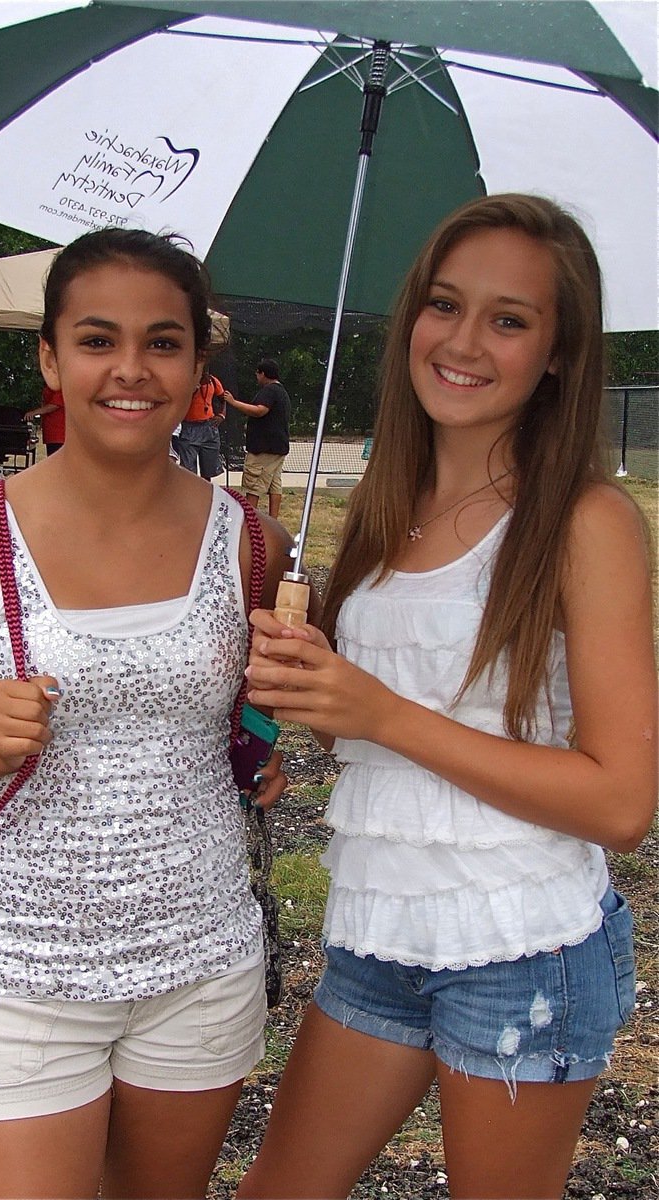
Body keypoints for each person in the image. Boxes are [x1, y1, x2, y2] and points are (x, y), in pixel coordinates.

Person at [0, 227, 307, 1200]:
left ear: (198, 369)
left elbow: (253, 734)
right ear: (51, 356)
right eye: (98, 340)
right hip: (21, 972)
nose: (131, 370)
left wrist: (268, 738)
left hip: (201, 963)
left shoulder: (252, 545)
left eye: (164, 342)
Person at [239, 194, 657, 1200]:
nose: (463, 341)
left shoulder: (585, 522)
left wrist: (379, 714)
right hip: (383, 927)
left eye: (509, 320)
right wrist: (292, 705)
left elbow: (621, 804)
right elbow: (368, 709)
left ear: (558, 351)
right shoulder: (389, 499)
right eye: (443, 305)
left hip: (524, 944)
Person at [225, 359, 290, 518]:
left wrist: (233, 403)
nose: (256, 376)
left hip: (263, 449)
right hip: (278, 447)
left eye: (257, 373)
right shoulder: (282, 391)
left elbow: (260, 410)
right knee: (274, 484)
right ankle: (273, 519)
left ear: (263, 373)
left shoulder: (269, 390)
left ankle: (250, 519)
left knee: (253, 484)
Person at [173, 368, 226, 478]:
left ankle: (205, 493)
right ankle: (190, 494)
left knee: (209, 470)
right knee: (188, 471)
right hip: (189, 427)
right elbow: (179, 402)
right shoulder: (186, 382)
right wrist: (193, 390)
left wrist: (222, 414)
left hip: (209, 427)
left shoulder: (213, 381)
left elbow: (223, 398)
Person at [23, 383, 66, 454]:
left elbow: (55, 405)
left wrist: (34, 412)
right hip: (51, 434)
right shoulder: (49, 386)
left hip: (59, 434)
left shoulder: (59, 386)